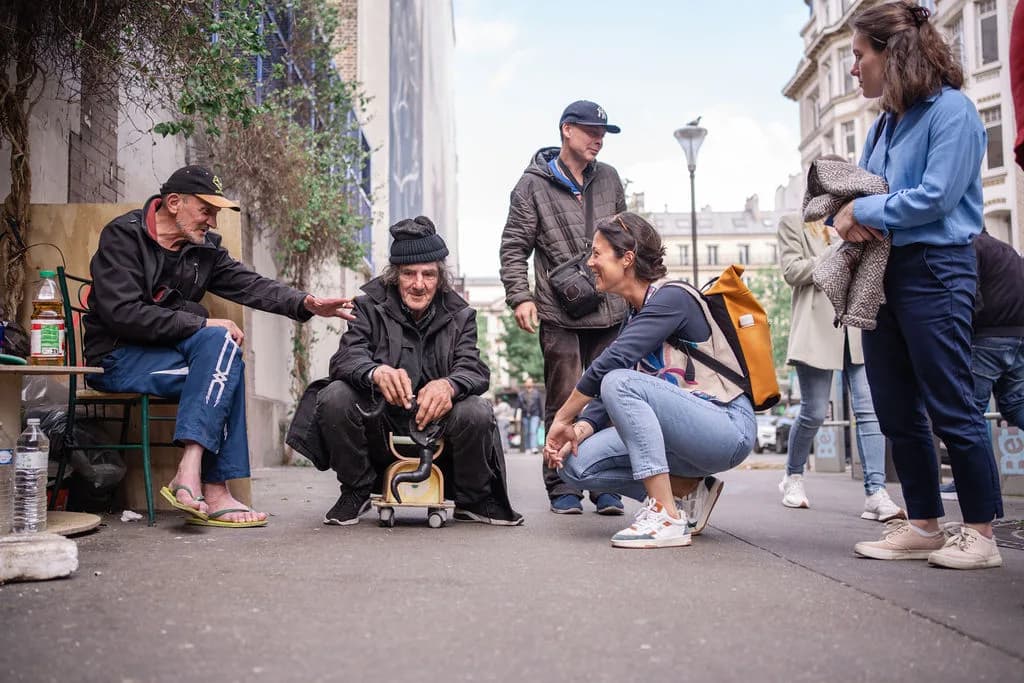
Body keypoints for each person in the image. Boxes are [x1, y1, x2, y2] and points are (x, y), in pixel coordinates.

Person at [84, 165, 356, 527]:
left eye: (215, 212)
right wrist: (201, 322)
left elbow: (252, 285)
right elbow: (123, 313)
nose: (212, 221)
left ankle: (192, 472)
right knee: (222, 352)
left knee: (222, 351)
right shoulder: (124, 236)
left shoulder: (203, 251)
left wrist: (306, 303)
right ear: (174, 202)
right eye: (206, 210)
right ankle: (213, 488)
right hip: (119, 359)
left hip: (167, 358)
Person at [839, 2, 1002, 569]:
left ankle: (980, 533)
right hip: (886, 271)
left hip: (938, 268)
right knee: (894, 408)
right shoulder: (885, 121)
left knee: (952, 403)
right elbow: (871, 189)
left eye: (859, 56)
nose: (854, 69)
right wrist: (858, 209)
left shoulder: (952, 111)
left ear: (891, 51)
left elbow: (935, 196)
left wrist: (863, 207)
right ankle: (924, 523)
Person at [287, 216, 523, 527]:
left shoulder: (461, 315)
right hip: (380, 419)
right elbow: (347, 357)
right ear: (394, 276)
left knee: (476, 410)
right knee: (334, 395)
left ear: (440, 278)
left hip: (438, 423)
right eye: (409, 274)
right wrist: (376, 372)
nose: (419, 284)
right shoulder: (368, 307)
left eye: (429, 274)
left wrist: (449, 386)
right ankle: (356, 491)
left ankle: (472, 499)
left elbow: (473, 368)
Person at [543, 212, 754, 549]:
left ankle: (665, 513)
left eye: (597, 253)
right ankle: (689, 488)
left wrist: (563, 417)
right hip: (683, 436)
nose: (590, 262)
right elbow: (605, 395)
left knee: (617, 379)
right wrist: (578, 430)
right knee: (574, 463)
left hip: (727, 426)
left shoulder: (672, 298)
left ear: (627, 259)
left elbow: (611, 366)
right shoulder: (636, 314)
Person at [499, 99, 627, 516]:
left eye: (604, 133)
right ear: (566, 130)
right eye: (592, 131)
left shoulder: (609, 179)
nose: (599, 140)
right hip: (559, 313)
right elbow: (513, 248)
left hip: (610, 310)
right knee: (564, 397)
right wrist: (520, 296)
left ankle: (605, 483)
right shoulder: (531, 185)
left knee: (609, 396)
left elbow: (627, 240)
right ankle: (563, 486)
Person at [777, 210, 904, 521]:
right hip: (817, 328)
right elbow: (793, 272)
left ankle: (875, 491)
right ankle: (793, 477)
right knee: (814, 410)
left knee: (868, 409)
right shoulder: (794, 223)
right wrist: (834, 252)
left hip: (857, 327)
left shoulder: (859, 222)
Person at [941, 230, 1024, 500]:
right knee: (1015, 404)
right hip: (1018, 336)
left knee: (968, 415)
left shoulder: (970, 247)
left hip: (987, 338)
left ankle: (976, 484)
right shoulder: (1005, 249)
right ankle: (977, 482)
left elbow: (969, 297)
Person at [517, 377, 543, 454]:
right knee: (526, 432)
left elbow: (540, 405)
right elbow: (518, 406)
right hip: (525, 415)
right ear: (525, 384)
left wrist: (542, 417)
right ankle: (527, 447)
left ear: (532, 384)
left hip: (535, 414)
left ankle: (534, 447)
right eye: (527, 382)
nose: (529, 383)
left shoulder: (537, 393)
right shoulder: (521, 394)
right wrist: (516, 416)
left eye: (530, 382)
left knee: (533, 431)